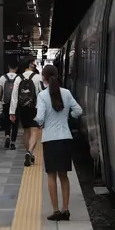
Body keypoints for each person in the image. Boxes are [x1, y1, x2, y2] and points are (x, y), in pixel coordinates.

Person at [35, 65, 82, 221]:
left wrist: (40, 122)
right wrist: (68, 117)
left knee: (51, 175)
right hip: (65, 137)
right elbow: (78, 111)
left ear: (44, 78)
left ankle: (55, 211)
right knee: (63, 175)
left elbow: (40, 117)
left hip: (49, 139)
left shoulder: (42, 95)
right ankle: (65, 209)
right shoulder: (66, 93)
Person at [9, 56, 43, 167]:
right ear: (30, 64)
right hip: (35, 108)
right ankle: (30, 152)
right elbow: (41, 94)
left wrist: (12, 112)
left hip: (22, 108)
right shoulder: (38, 77)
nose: (35, 64)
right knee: (34, 132)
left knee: (26, 131)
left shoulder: (18, 78)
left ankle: (28, 152)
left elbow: (14, 96)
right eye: (34, 62)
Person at [0, 60, 19, 150]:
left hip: (6, 103)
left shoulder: (2, 77)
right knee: (15, 123)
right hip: (16, 104)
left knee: (7, 122)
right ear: (17, 68)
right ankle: (13, 143)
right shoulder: (19, 78)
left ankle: (7, 137)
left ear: (8, 66)